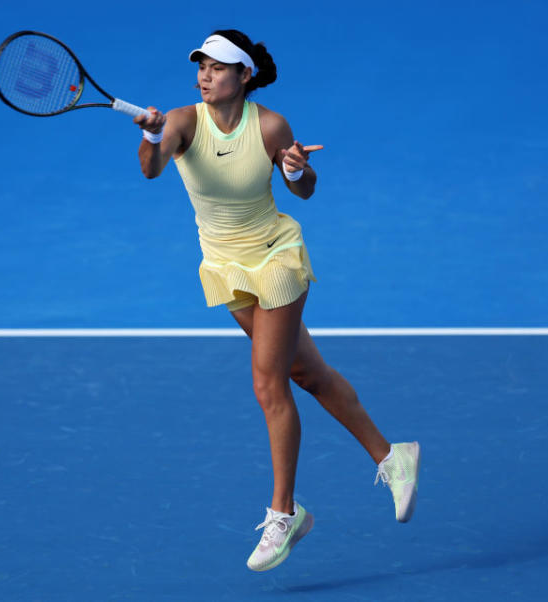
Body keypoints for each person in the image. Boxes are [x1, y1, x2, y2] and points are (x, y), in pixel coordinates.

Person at [133, 30, 420, 572]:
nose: (205, 75)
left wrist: (296, 169)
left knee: (268, 384)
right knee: (307, 375)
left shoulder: (269, 125)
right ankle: (393, 455)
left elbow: (303, 190)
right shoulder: (180, 121)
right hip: (224, 267)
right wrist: (151, 137)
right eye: (201, 67)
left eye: (218, 67)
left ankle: (285, 513)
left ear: (244, 76)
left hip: (275, 258)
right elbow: (151, 169)